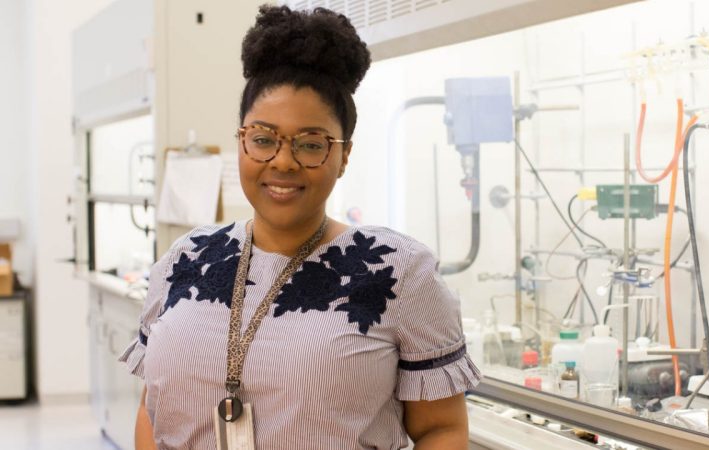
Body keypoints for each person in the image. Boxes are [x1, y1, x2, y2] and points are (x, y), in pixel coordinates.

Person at [120, 5, 481, 449]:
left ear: (343, 155)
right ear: (241, 141)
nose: (284, 161)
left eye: (311, 144)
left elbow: (441, 429)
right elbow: (150, 410)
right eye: (264, 139)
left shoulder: (399, 272)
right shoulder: (186, 259)